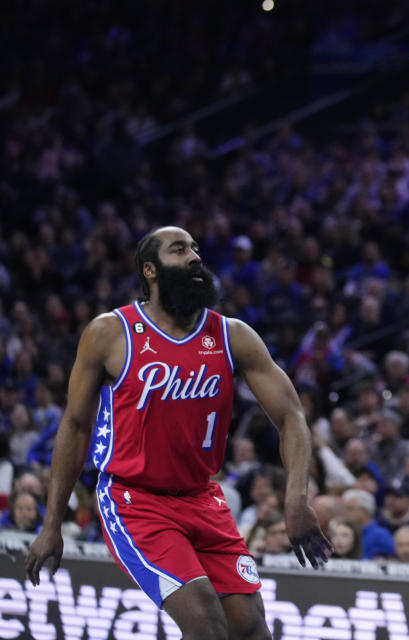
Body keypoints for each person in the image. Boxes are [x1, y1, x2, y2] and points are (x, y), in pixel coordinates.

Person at [24, 226, 332, 639]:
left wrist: (296, 500)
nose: (194, 257)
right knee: (205, 623)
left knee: (252, 629)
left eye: (196, 249)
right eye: (179, 250)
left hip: (202, 498)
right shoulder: (110, 333)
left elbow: (292, 415)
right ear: (150, 270)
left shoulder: (232, 335)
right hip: (136, 500)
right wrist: (51, 523)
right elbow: (76, 426)